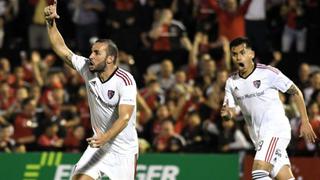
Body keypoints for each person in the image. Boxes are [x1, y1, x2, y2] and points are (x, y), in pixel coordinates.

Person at [44, 1, 138, 180]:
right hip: (99, 147)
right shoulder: (88, 68)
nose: (91, 56)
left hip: (123, 151)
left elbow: (125, 117)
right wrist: (50, 23)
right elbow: (62, 49)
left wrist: (105, 137)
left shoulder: (125, 80)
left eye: (96, 53)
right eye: (91, 52)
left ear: (110, 59)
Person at [221, 37, 317, 180]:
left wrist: (305, 120)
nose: (238, 57)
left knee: (258, 173)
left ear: (251, 54)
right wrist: (227, 114)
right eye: (234, 54)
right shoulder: (231, 82)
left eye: (242, 52)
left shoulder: (268, 73)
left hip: (275, 130)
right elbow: (230, 111)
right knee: (285, 177)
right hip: (259, 138)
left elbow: (296, 91)